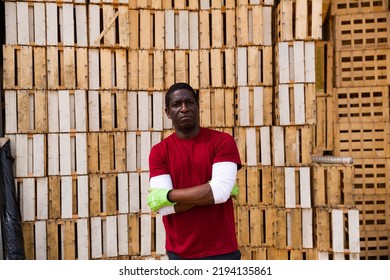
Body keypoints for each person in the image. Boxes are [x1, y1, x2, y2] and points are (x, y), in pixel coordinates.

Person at [147, 82, 242, 260]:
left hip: (222, 251)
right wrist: (210, 190)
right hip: (180, 254)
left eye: (189, 102)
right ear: (168, 112)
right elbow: (165, 210)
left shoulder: (222, 141)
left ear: (197, 107)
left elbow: (220, 193)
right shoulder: (159, 152)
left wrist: (168, 196)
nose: (184, 109)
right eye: (177, 104)